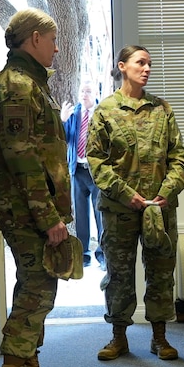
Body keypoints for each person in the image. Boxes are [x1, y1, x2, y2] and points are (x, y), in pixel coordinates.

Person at [0, 7, 79, 367]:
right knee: (36, 288)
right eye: (52, 39)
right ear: (33, 39)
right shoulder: (17, 87)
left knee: (40, 285)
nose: (57, 47)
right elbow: (22, 160)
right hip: (26, 209)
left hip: (34, 207)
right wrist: (48, 218)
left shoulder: (32, 84)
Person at [87, 45, 184, 361]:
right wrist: (123, 192)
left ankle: (160, 338)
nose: (146, 68)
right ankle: (118, 337)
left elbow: (179, 159)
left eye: (149, 64)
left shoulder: (162, 109)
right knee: (118, 274)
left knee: (160, 272)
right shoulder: (105, 111)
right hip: (120, 210)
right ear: (122, 66)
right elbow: (96, 162)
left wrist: (167, 191)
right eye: (140, 63)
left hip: (159, 209)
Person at [62, 81, 105, 269]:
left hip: (96, 172)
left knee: (100, 213)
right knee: (80, 215)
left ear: (95, 93)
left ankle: (102, 254)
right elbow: (64, 138)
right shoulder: (73, 114)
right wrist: (63, 121)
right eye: (82, 91)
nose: (84, 94)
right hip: (77, 170)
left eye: (88, 91)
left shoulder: (101, 113)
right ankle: (83, 254)